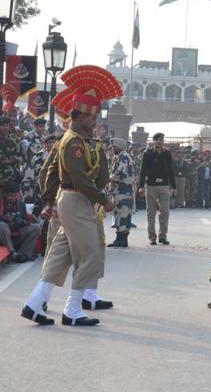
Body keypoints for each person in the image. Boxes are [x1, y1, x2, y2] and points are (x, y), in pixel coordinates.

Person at [22, 84, 116, 327]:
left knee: (60, 255)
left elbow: (100, 175)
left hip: (75, 202)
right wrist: (103, 199)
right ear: (81, 115)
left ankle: (35, 302)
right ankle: (73, 309)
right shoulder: (72, 142)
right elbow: (79, 178)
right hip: (75, 200)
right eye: (92, 117)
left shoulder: (84, 141)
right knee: (90, 254)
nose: (95, 122)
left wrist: (98, 150)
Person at [139, 132, 176, 245]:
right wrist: (141, 186)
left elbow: (170, 170)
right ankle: (152, 237)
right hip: (151, 186)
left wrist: (174, 186)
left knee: (165, 212)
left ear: (163, 141)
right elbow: (143, 171)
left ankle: (163, 236)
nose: (159, 142)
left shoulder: (167, 154)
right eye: (157, 140)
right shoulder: (148, 154)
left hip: (164, 186)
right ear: (153, 141)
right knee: (151, 212)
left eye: (161, 140)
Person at [0, 182, 41, 262]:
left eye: (15, 195)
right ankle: (12, 252)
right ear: (5, 195)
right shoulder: (1, 204)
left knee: (36, 228)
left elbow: (26, 221)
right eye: (11, 196)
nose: (13, 198)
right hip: (4, 236)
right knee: (1, 225)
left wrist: (21, 221)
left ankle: (24, 254)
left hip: (18, 232)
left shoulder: (20, 204)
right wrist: (3, 218)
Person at [107, 138, 134, 248]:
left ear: (120, 147)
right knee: (122, 214)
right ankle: (121, 239)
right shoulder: (122, 157)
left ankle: (121, 240)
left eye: (114, 147)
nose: (113, 149)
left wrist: (108, 179)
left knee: (122, 214)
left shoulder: (123, 157)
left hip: (122, 191)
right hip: (122, 191)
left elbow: (121, 174)